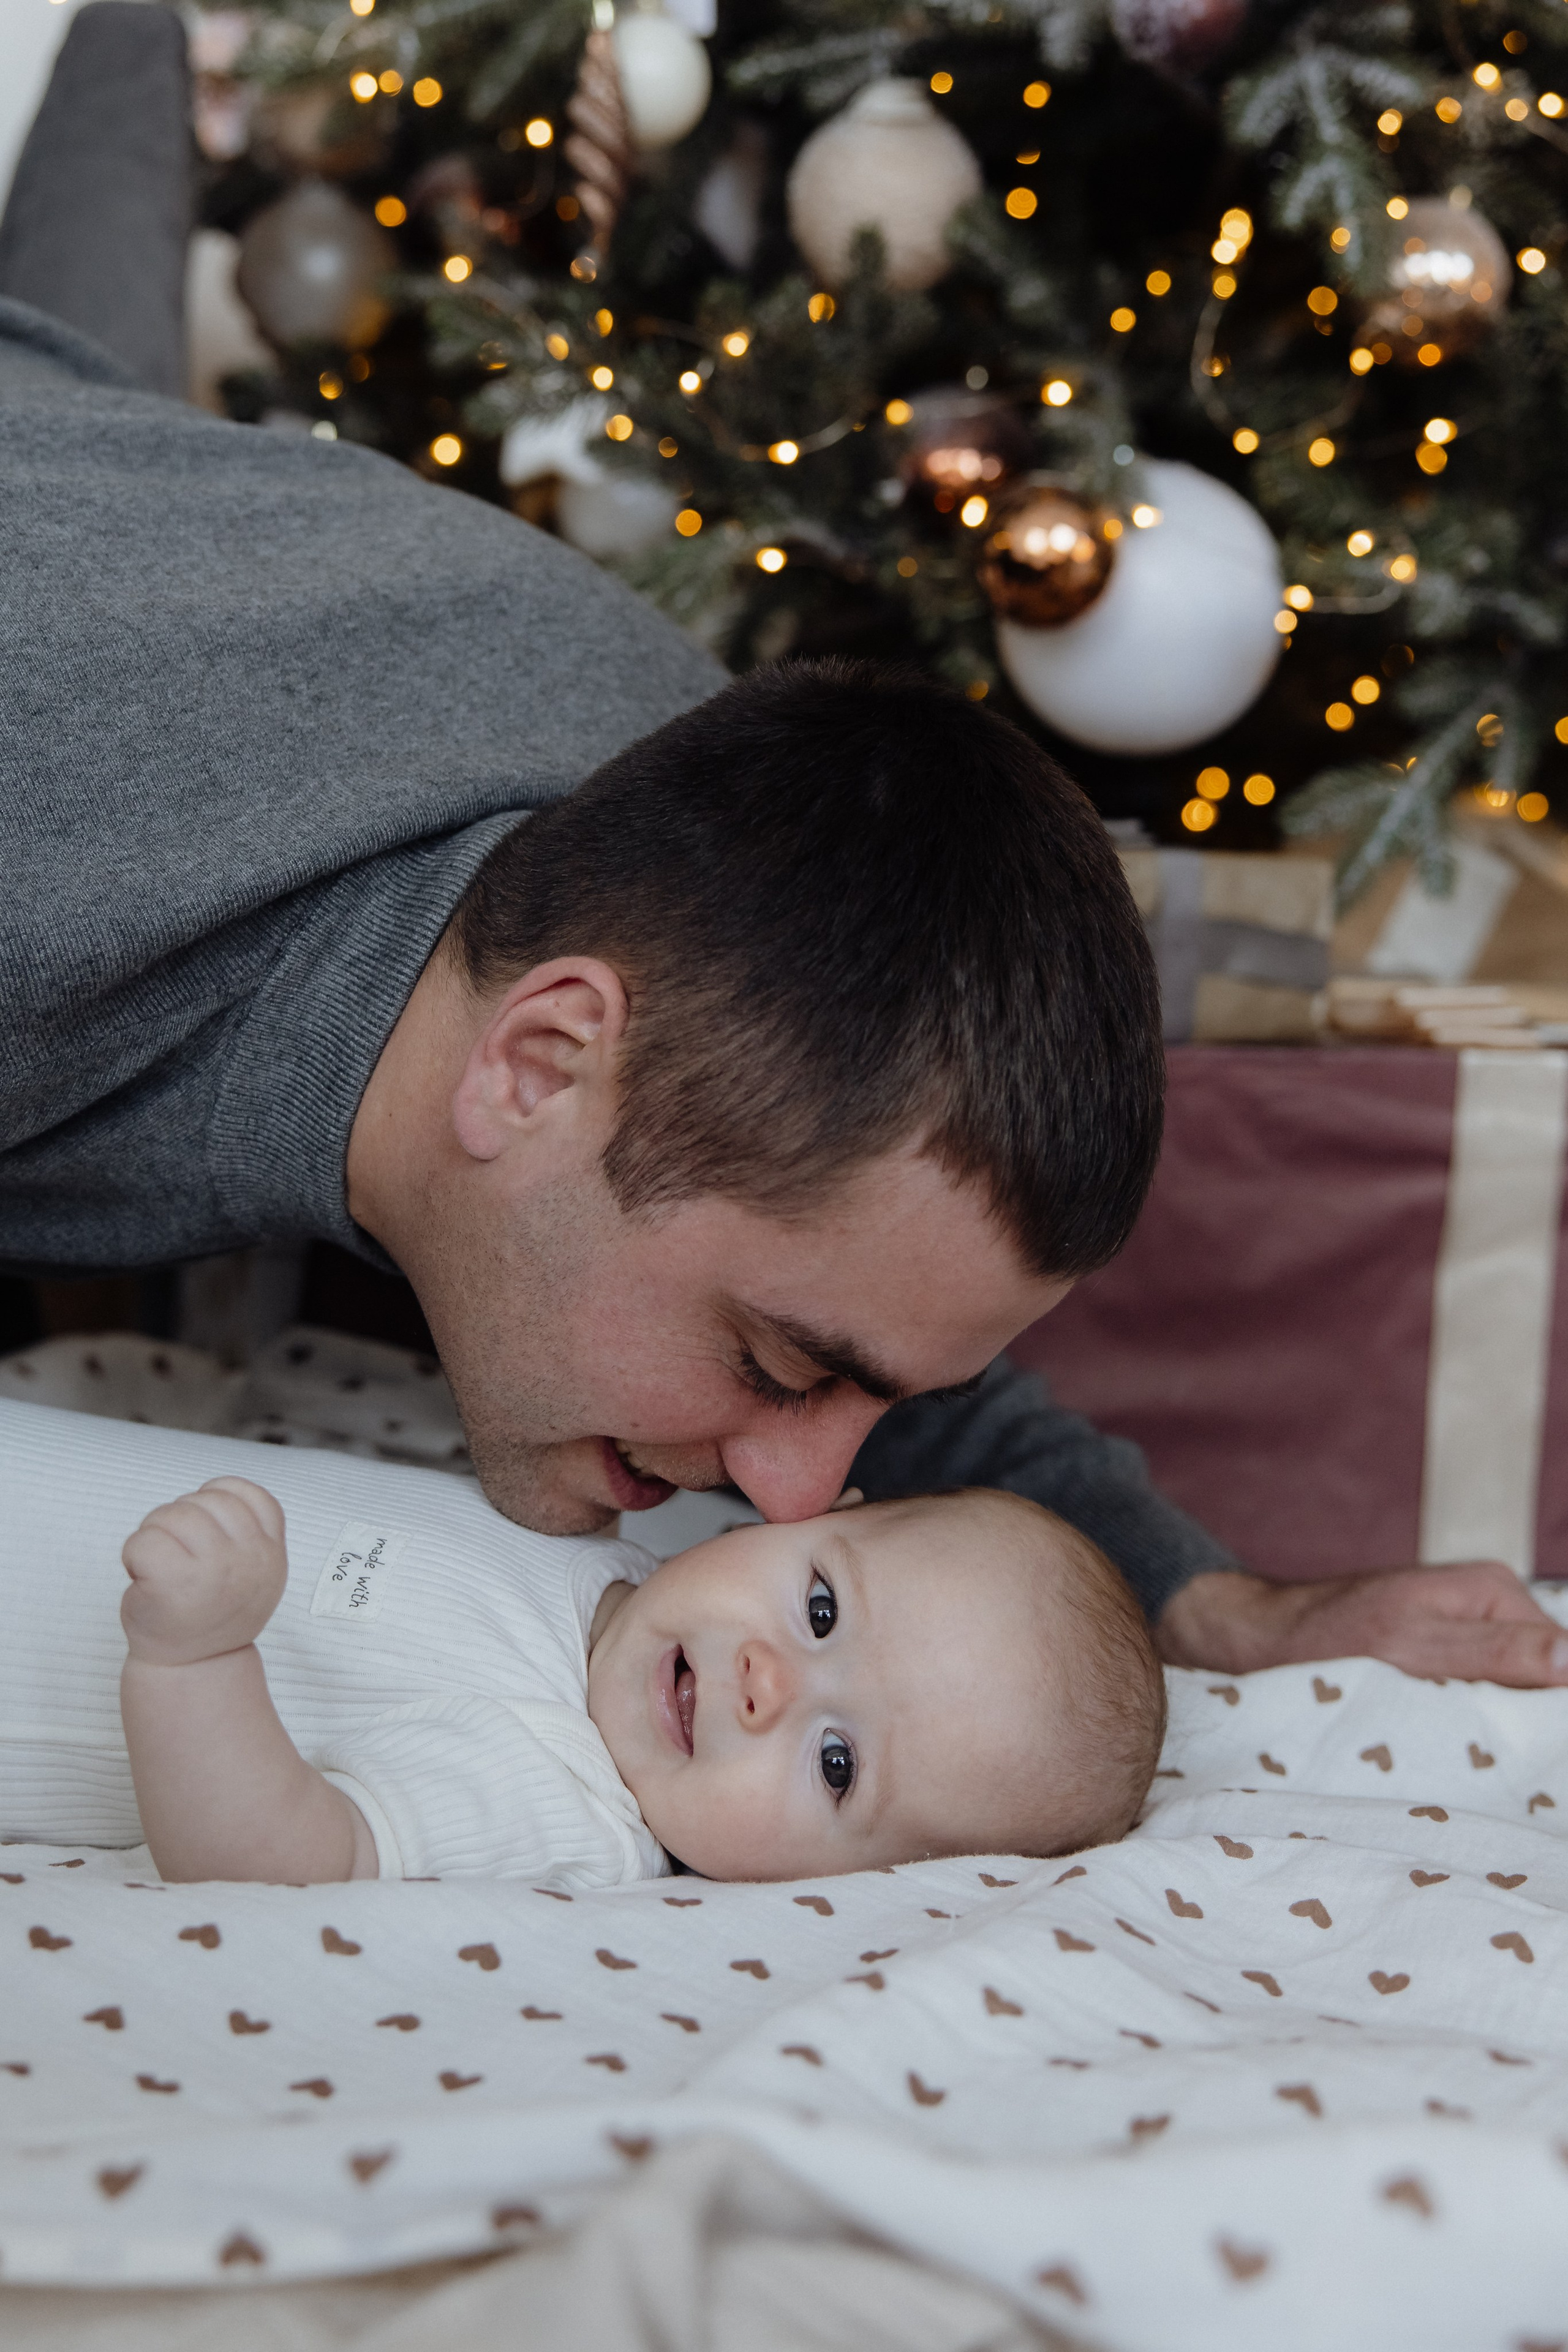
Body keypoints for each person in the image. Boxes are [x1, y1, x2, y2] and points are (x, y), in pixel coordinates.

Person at [2, 1, 1562, 1694]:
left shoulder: (685, 809)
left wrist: (1218, 1606)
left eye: (831, 1390)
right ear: (536, 1064)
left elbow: (866, 1270)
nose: (798, 1496)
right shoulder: (57, 868)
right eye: (771, 1366)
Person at [0, 1400, 1164, 1883]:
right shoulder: (634, 1553)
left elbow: (285, 1868)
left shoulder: (563, 1800)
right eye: (820, 1610)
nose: (769, 1684)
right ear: (823, 1513)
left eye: (838, 1764)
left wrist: (197, 1660)